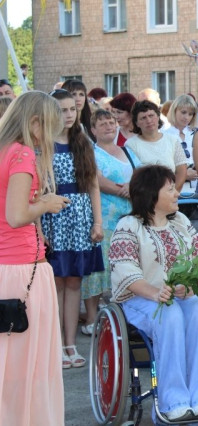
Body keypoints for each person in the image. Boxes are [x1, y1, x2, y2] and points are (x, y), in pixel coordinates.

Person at [109, 165, 198, 423]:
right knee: (169, 315)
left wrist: (191, 285)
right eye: (170, 189)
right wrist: (156, 292)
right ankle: (174, 402)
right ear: (151, 194)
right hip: (140, 299)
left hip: (182, 296)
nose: (176, 193)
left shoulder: (180, 222)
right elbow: (125, 271)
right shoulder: (129, 226)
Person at [0, 91, 69, 426]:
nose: (49, 139)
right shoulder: (22, 154)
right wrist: (46, 204)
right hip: (22, 268)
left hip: (7, 268)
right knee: (31, 365)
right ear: (35, 122)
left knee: (8, 363)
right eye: (49, 128)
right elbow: (16, 216)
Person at [42, 89, 104, 368]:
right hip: (53, 217)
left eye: (71, 109)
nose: (67, 115)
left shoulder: (83, 141)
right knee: (56, 281)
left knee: (74, 281)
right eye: (61, 110)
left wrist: (97, 222)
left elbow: (93, 185)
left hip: (80, 217)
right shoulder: (42, 143)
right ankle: (55, 345)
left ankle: (70, 344)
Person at [81, 109, 141, 336]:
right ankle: (91, 317)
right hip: (104, 218)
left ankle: (126, 314)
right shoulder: (91, 152)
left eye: (111, 122)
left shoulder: (127, 150)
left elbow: (140, 174)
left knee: (127, 264)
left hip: (130, 217)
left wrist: (133, 187)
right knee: (98, 268)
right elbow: (96, 180)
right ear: (93, 130)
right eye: (102, 124)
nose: (108, 126)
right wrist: (123, 190)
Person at [125, 100, 188, 191]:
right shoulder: (131, 145)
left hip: (172, 193)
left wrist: (171, 193)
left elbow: (181, 172)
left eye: (151, 115)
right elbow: (132, 176)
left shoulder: (173, 140)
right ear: (137, 123)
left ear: (158, 117)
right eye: (143, 118)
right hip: (145, 195)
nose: (148, 120)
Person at [164, 94, 198, 194]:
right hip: (173, 188)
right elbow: (163, 164)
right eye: (183, 112)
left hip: (197, 188)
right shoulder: (164, 135)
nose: (186, 117)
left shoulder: (196, 134)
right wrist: (183, 174)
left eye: (190, 114)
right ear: (174, 110)